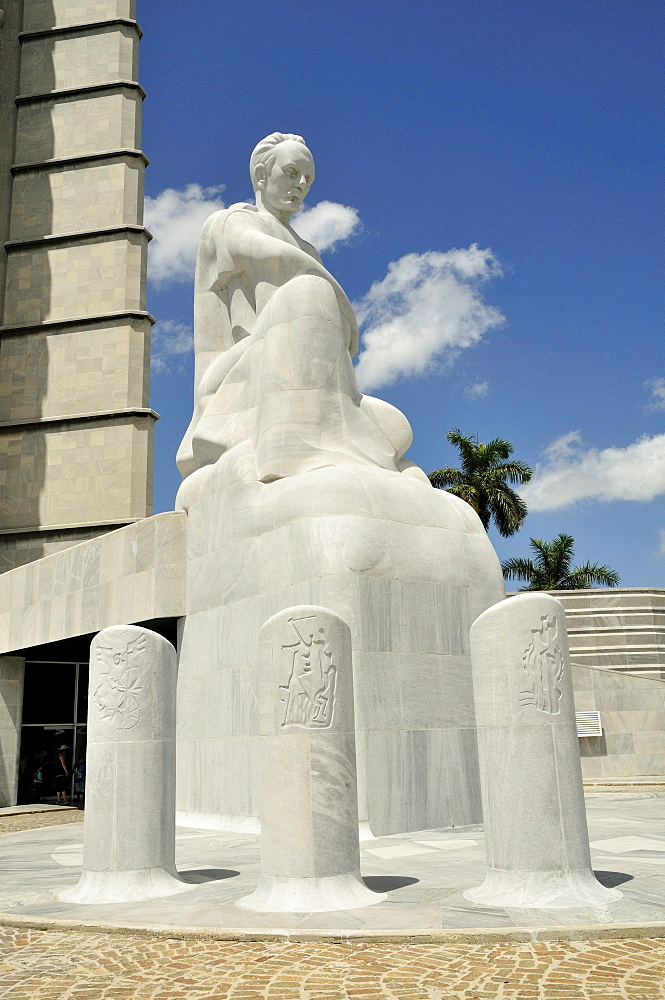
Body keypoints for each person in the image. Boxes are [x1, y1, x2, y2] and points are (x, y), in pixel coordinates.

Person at [176, 132, 428, 504]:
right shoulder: (230, 221)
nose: (300, 186)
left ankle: (343, 446)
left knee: (394, 426)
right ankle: (296, 451)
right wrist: (337, 299)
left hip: (300, 370)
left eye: (307, 180)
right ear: (261, 175)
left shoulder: (308, 248)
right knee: (305, 292)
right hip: (236, 368)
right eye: (291, 172)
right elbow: (262, 250)